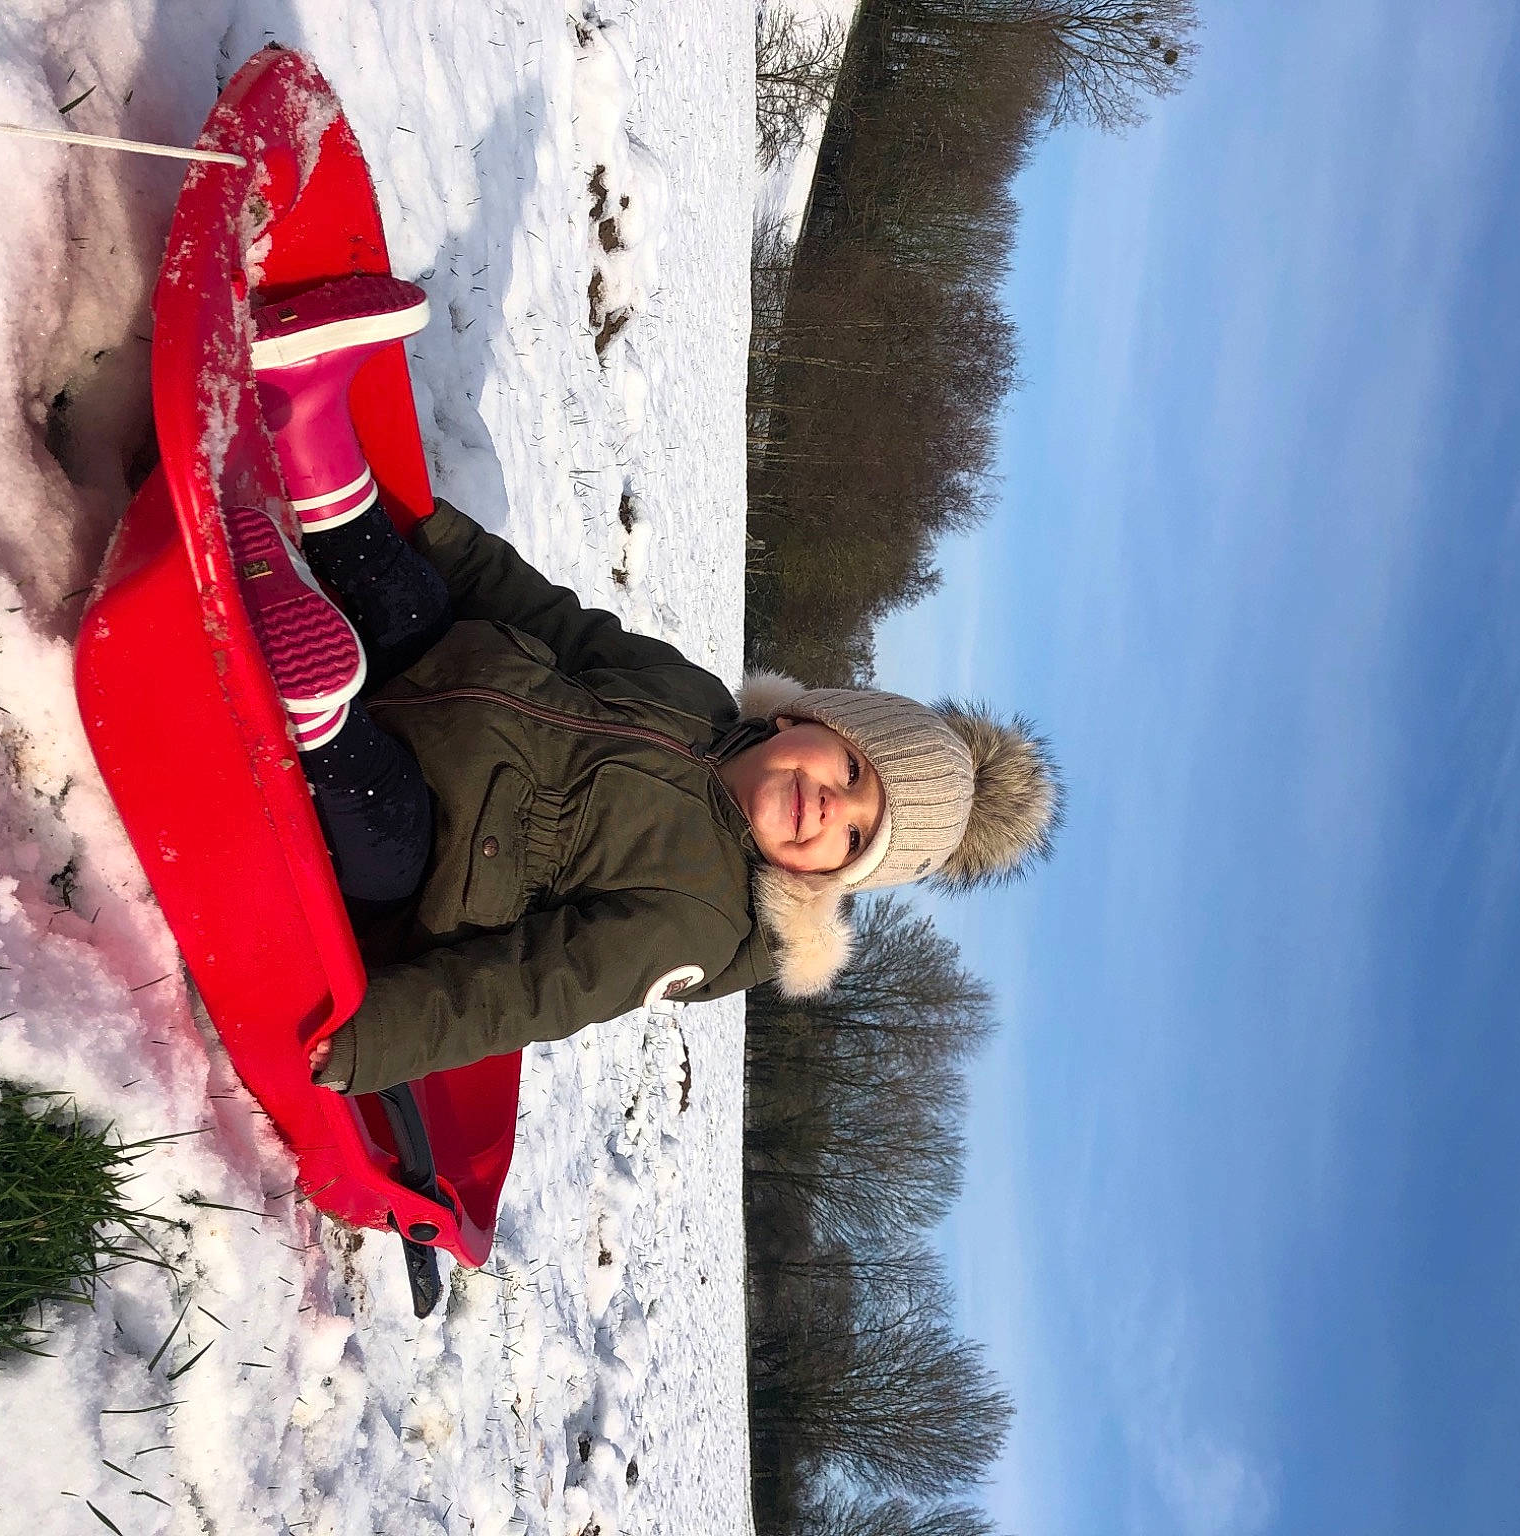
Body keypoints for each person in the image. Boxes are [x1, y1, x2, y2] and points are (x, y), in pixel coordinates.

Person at [228, 275, 1063, 1097]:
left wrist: (374, 1042)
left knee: (387, 819)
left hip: (419, 861)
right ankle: (304, 422)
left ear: (824, 881)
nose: (831, 807)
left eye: (854, 840)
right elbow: (559, 623)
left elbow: (536, 989)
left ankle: (316, 707)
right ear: (806, 723)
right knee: (413, 600)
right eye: (853, 772)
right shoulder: (691, 695)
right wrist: (443, 538)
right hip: (443, 669)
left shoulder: (699, 915)